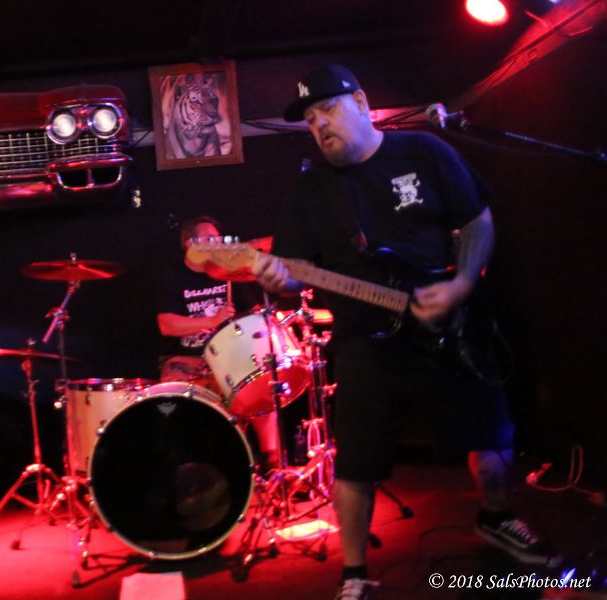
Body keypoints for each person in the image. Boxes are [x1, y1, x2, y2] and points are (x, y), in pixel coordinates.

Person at [252, 65, 559, 599]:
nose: (318, 123)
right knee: (355, 464)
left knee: (490, 435)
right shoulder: (311, 189)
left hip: (450, 325)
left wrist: (462, 284)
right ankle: (354, 574)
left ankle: (497, 516)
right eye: (309, 117)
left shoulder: (424, 151)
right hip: (364, 341)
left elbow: (477, 220)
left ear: (361, 101)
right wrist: (280, 275)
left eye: (326, 108)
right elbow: (296, 268)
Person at [157, 215, 280, 471]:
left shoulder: (229, 273)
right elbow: (166, 325)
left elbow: (253, 314)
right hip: (187, 358)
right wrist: (211, 321)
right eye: (210, 238)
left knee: (261, 385)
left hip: (228, 359)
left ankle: (273, 463)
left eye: (218, 238)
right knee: (172, 405)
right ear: (190, 243)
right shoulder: (173, 275)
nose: (217, 244)